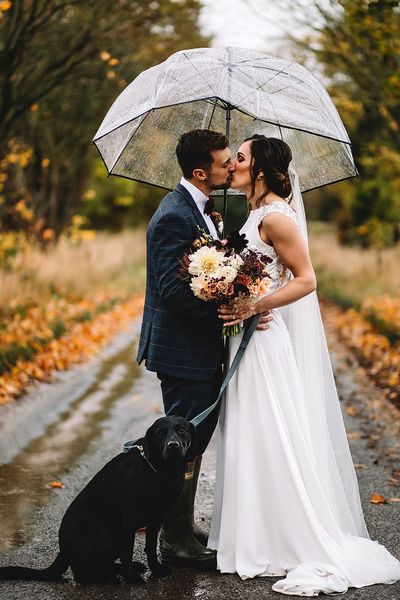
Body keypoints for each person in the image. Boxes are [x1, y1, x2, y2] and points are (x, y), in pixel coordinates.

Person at [209, 134, 400, 595]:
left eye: (240, 158)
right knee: (248, 432)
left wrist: (257, 306)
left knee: (267, 430)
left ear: (259, 169)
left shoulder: (277, 216)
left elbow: (307, 280)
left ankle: (280, 536)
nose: (231, 164)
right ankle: (250, 532)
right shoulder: (253, 212)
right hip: (243, 338)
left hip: (262, 340)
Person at [137, 129, 270, 569]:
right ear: (201, 171)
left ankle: (181, 524)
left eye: (235, 159)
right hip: (182, 352)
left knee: (193, 439)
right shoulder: (174, 215)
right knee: (183, 442)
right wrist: (232, 310)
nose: (232, 166)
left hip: (195, 350)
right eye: (224, 161)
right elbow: (172, 291)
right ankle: (174, 540)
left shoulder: (202, 209)